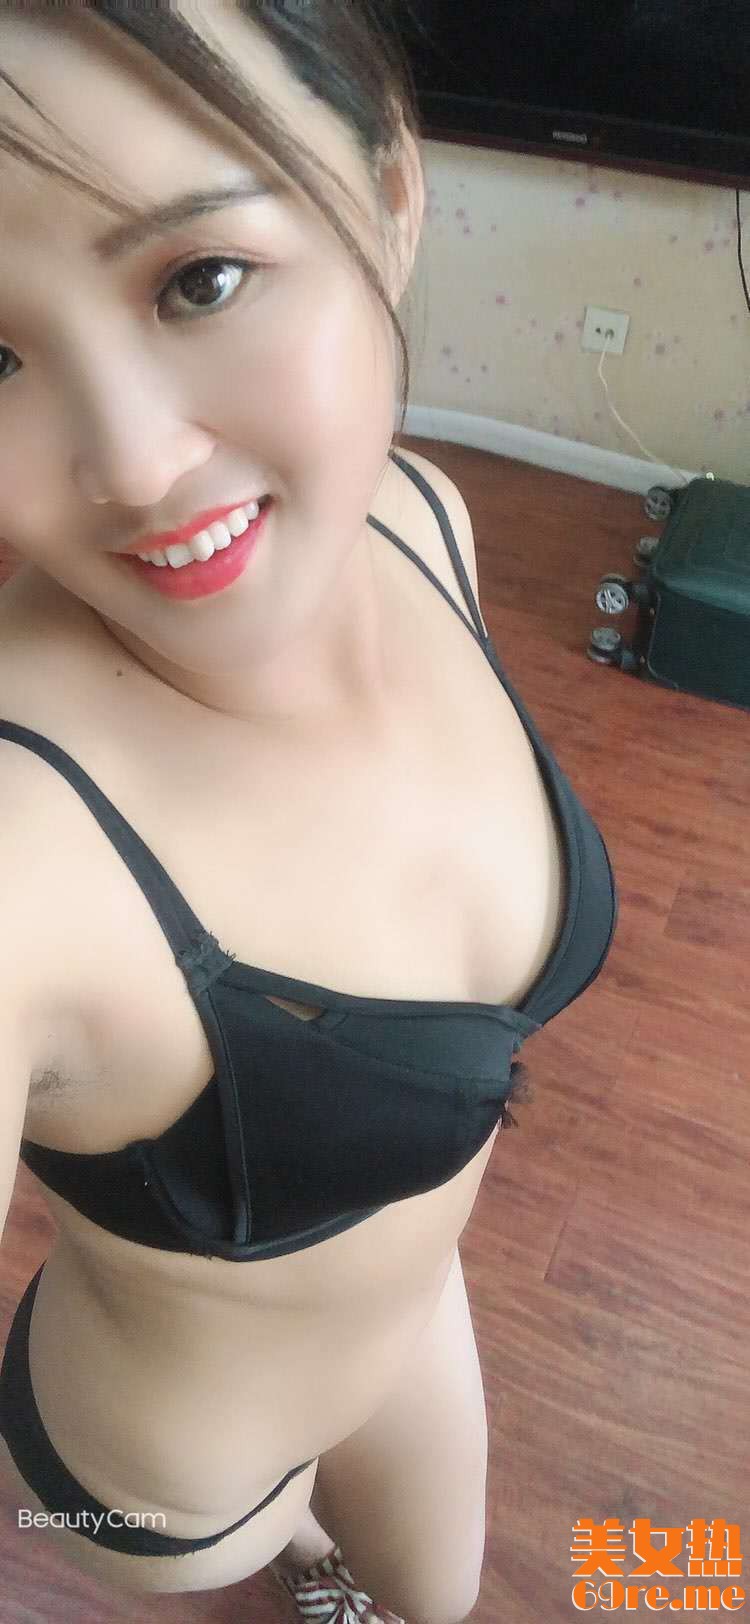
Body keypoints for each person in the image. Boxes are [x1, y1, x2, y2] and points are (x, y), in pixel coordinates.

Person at [0, 4, 618, 1621]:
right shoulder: (20, 851)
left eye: (200, 279)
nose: (136, 465)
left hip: (415, 1313)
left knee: (440, 1603)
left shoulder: (419, 518)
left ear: (388, 197)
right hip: (164, 1474)